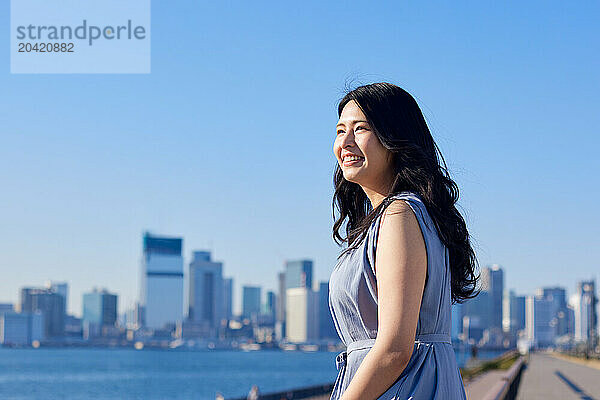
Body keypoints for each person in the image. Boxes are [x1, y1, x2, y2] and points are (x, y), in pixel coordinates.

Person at [328, 82, 479, 399]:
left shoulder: (399, 215)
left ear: (394, 138)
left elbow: (395, 348)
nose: (346, 142)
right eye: (341, 131)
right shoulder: (404, 216)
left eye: (362, 129)